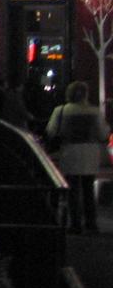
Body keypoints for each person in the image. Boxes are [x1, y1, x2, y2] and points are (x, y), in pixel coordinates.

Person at [45, 81, 109, 234]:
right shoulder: (94, 112)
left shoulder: (60, 111)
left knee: (73, 190)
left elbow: (51, 131)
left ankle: (75, 223)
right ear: (86, 94)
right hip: (90, 153)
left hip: (69, 152)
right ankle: (91, 223)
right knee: (88, 189)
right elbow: (103, 133)